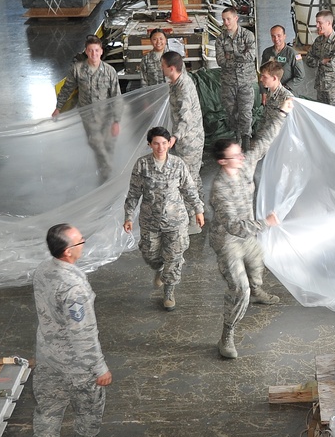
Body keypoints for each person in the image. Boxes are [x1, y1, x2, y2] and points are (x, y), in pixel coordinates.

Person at [209, 92, 295, 359]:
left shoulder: (244, 168)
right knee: (239, 288)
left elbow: (262, 143)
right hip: (228, 241)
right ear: (223, 162)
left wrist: (282, 112)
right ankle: (227, 335)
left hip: (249, 235)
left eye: (239, 153)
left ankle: (257, 290)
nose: (242, 158)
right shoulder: (219, 190)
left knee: (257, 261)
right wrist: (265, 223)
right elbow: (235, 227)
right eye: (235, 156)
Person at [30, 224, 116, 437]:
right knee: (91, 400)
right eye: (81, 241)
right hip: (75, 360)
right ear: (68, 251)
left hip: (48, 353)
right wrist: (99, 367)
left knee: (49, 403)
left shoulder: (43, 270)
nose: (84, 244)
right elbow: (83, 333)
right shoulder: (73, 288)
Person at [123, 126, 205, 310]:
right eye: (156, 143)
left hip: (176, 221)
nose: (160, 147)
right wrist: (128, 216)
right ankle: (159, 268)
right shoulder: (142, 165)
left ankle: (169, 291)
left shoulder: (178, 164)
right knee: (150, 253)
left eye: (164, 143)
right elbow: (134, 193)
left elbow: (189, 189)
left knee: (174, 257)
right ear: (150, 144)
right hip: (150, 221)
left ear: (169, 144)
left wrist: (198, 210)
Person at [53, 36, 121, 180]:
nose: (94, 54)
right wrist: (58, 107)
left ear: (101, 51)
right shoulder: (78, 70)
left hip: (106, 115)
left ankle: (103, 170)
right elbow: (67, 89)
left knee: (108, 145)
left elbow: (116, 96)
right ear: (86, 51)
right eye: (90, 51)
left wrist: (116, 120)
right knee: (95, 142)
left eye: (96, 50)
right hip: (88, 115)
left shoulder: (110, 71)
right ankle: (109, 172)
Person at [161, 51, 205, 232]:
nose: (161, 69)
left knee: (188, 181)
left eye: (163, 66)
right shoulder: (176, 81)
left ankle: (193, 223)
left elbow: (186, 118)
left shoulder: (183, 87)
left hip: (189, 141)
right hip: (185, 140)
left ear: (171, 68)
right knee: (193, 176)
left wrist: (175, 137)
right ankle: (200, 209)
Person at [214, 7, 257, 149]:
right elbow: (221, 61)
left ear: (236, 18)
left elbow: (251, 56)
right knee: (231, 112)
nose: (226, 22)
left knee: (245, 112)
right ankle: (237, 136)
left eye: (228, 19)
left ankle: (246, 139)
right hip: (228, 82)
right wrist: (240, 55)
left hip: (245, 81)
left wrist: (231, 55)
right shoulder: (220, 39)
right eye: (224, 19)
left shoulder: (247, 35)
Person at [306, 10, 335, 108]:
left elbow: (333, 66)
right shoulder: (319, 40)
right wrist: (322, 61)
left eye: (319, 23)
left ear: (329, 23)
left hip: (334, 89)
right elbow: (308, 59)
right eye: (316, 22)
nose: (317, 26)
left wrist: (317, 62)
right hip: (321, 87)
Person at [260, 24, 304, 92]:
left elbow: (300, 76)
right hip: (271, 91)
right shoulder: (267, 52)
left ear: (284, 36)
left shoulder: (293, 54)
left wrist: (286, 87)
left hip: (288, 92)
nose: (276, 39)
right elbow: (262, 73)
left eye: (279, 35)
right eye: (273, 36)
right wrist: (263, 92)